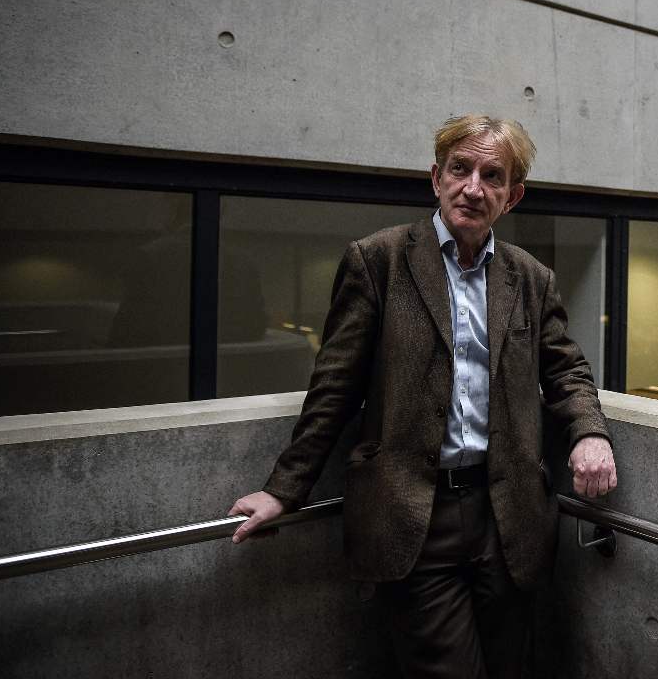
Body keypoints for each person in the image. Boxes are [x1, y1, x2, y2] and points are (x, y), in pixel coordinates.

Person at [228, 114, 617, 678]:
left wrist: (589, 433)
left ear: (512, 195)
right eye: (460, 169)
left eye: (492, 175)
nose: (473, 187)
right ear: (436, 177)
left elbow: (567, 372)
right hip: (413, 516)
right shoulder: (378, 260)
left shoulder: (531, 278)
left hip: (508, 517)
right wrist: (284, 489)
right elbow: (334, 386)